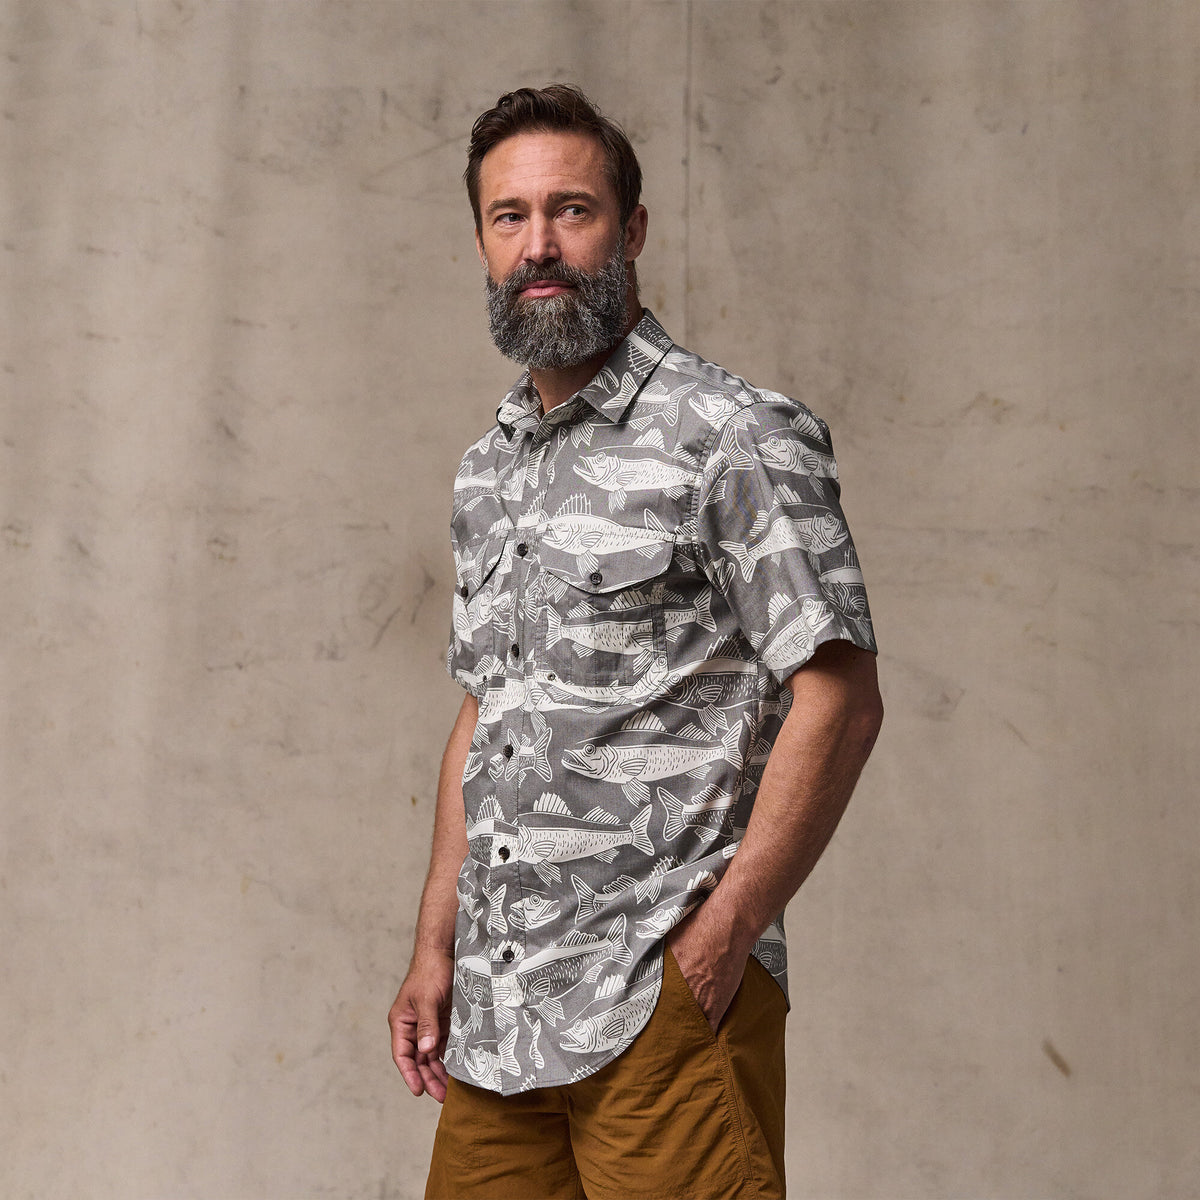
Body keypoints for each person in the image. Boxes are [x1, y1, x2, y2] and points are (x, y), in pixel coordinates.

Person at [389, 84, 883, 1200]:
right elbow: (488, 713)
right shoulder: (489, 470)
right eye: (510, 216)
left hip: (661, 1001)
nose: (540, 244)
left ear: (633, 229)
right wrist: (434, 947)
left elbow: (841, 698)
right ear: (482, 243)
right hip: (501, 1021)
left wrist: (726, 933)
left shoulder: (733, 434)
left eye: (573, 210)